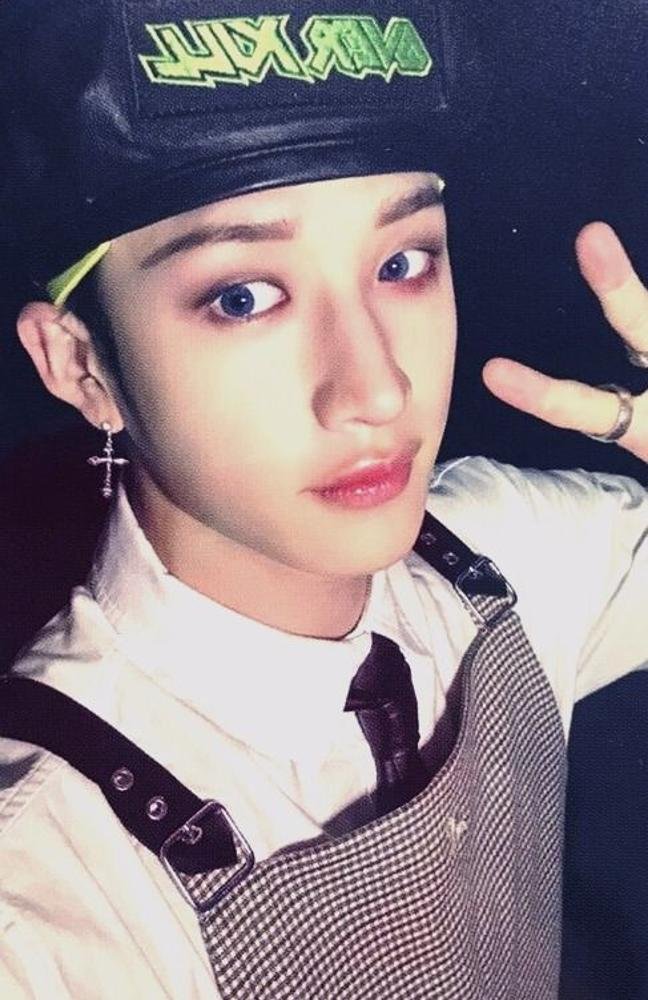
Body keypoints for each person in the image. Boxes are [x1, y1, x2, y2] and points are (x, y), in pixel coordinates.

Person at [0, 1, 646, 997]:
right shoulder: (49, 887)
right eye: (243, 296)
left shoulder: (507, 553)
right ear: (80, 365)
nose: (378, 389)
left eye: (401, 264)